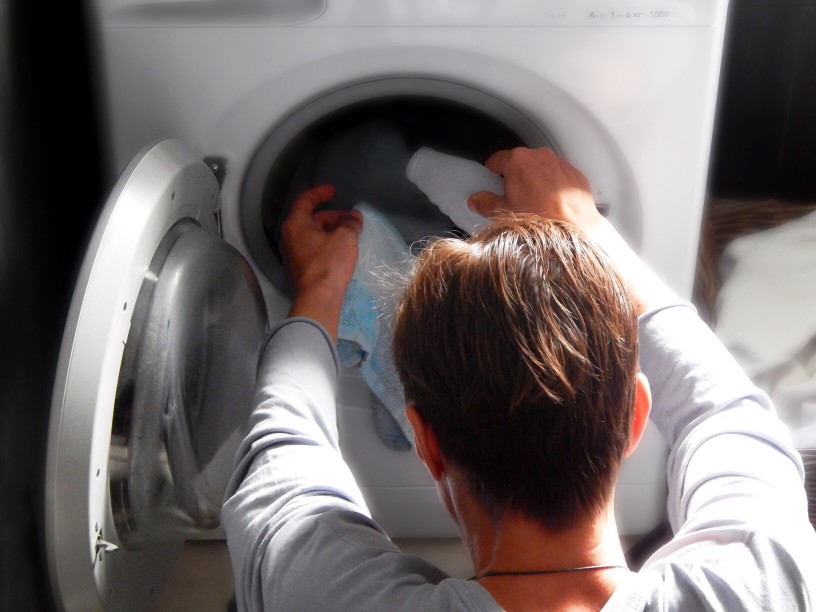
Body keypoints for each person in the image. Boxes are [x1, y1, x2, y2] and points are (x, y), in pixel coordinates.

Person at [221, 147, 816, 610]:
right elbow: (725, 410)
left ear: (427, 442)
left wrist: (321, 288)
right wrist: (586, 228)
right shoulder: (763, 585)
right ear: (634, 415)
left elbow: (282, 451)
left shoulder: (317, 595)